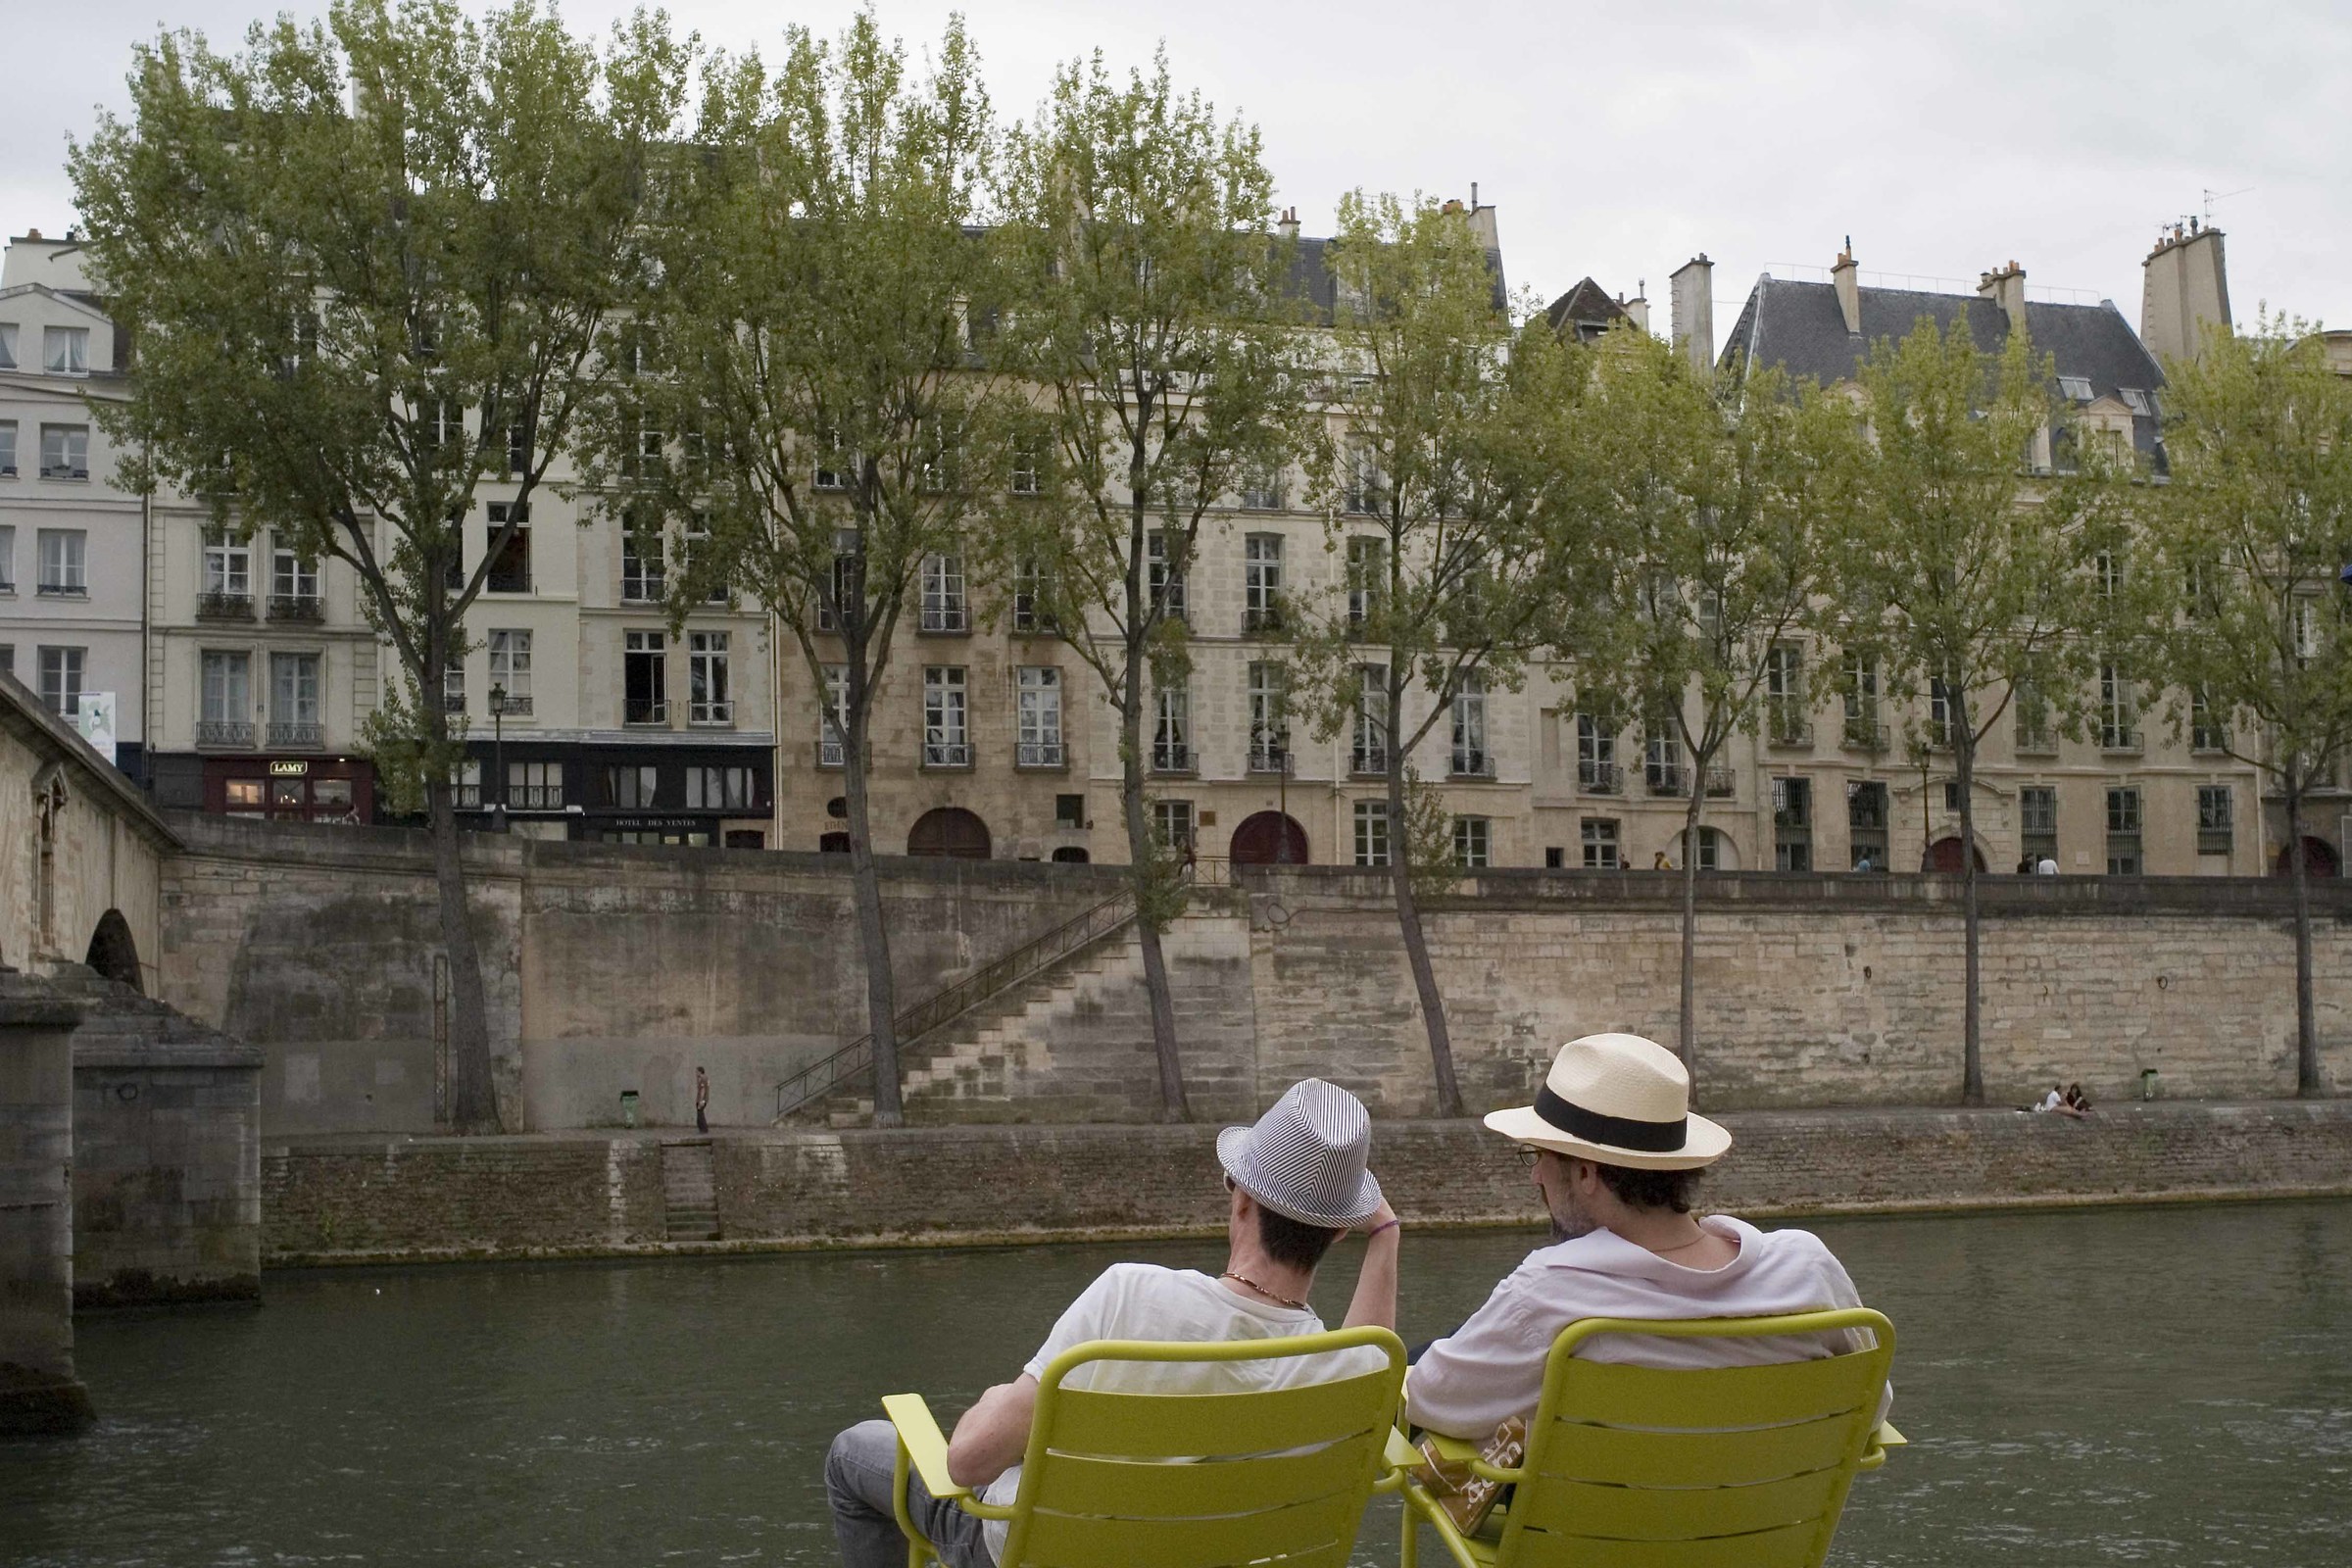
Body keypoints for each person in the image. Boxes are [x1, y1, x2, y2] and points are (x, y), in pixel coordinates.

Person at [825, 1079, 1402, 1568]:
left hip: (1044, 1553)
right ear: (1338, 1232)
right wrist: (1387, 1235)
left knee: (853, 1453)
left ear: (1242, 1201)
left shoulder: (1131, 1293)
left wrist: (995, 1399)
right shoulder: (1347, 1371)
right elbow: (1377, 1348)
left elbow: (967, 1461)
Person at [1405, 1033, 1889, 1442]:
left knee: (1424, 1358)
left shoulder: (1550, 1293)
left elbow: (1429, 1401)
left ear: (1587, 1174)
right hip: (1769, 1538)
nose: (1535, 1179)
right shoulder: (1808, 1268)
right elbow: (1870, 1412)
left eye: (1538, 1158)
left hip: (1593, 1544)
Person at [694, 1065, 710, 1135]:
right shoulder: (706, 1078)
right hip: (704, 1099)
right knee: (700, 1113)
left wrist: (701, 1101)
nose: (696, 1073)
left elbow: (702, 1090)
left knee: (700, 1114)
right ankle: (702, 1128)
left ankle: (703, 1128)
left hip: (701, 1099)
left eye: (697, 1072)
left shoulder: (702, 1079)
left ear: (700, 1072)